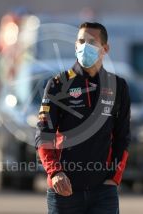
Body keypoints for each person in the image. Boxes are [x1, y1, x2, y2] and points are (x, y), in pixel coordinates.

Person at [35, 22, 131, 214]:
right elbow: (44, 135)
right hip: (65, 190)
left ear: (105, 49)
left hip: (103, 192)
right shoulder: (58, 84)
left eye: (92, 42)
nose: (85, 46)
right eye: (81, 41)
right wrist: (55, 173)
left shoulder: (118, 86)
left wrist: (114, 178)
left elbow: (123, 137)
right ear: (75, 45)